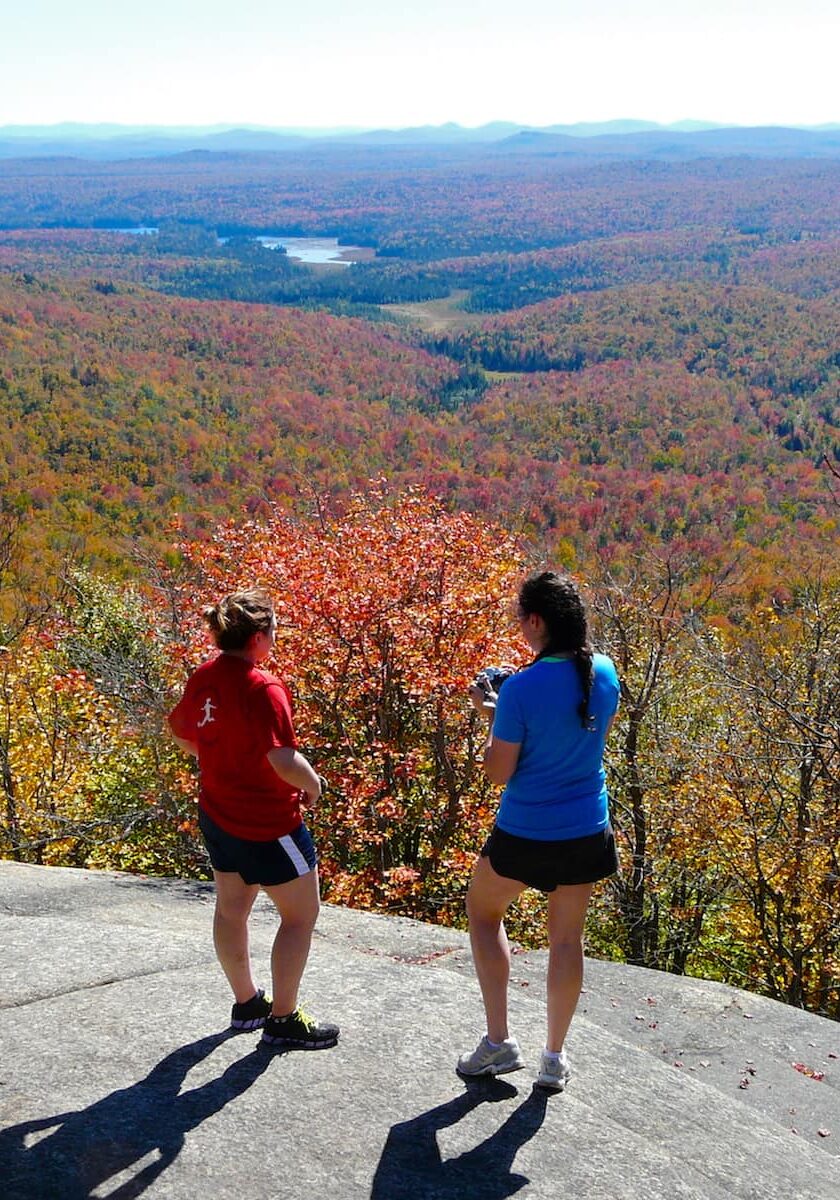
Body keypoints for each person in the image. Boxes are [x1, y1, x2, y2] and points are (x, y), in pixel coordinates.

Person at [458, 571, 619, 1090]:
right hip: (585, 829)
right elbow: (576, 738)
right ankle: (554, 1058)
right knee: (566, 940)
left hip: (526, 831)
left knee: (483, 913)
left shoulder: (520, 690)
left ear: (536, 621)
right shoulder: (604, 672)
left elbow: (500, 771)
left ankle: (499, 1043)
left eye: (521, 620)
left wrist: (494, 713)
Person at [168, 587, 338, 1050]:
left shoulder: (204, 675)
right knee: (301, 916)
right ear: (260, 637)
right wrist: (313, 785)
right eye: (275, 630)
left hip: (217, 814)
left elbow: (181, 730)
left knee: (231, 906)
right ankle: (283, 1020)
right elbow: (283, 759)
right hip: (268, 824)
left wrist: (219, 762)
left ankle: (247, 1004)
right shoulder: (265, 689)